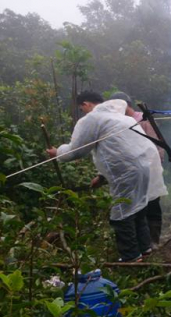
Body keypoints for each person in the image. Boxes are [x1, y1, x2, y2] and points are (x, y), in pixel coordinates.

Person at [46, 92, 154, 262]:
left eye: (82, 109)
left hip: (126, 172)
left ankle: (131, 256)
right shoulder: (121, 118)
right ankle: (145, 249)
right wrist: (101, 176)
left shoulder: (93, 119)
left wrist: (57, 152)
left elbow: (76, 150)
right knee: (138, 206)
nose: (83, 113)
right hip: (144, 166)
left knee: (121, 212)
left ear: (86, 104)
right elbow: (116, 150)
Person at [109, 92, 167, 248]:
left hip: (150, 167)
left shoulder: (143, 119)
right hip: (132, 171)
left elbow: (157, 143)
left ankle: (153, 240)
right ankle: (143, 242)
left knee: (152, 204)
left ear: (127, 104)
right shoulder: (119, 122)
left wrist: (157, 163)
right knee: (137, 206)